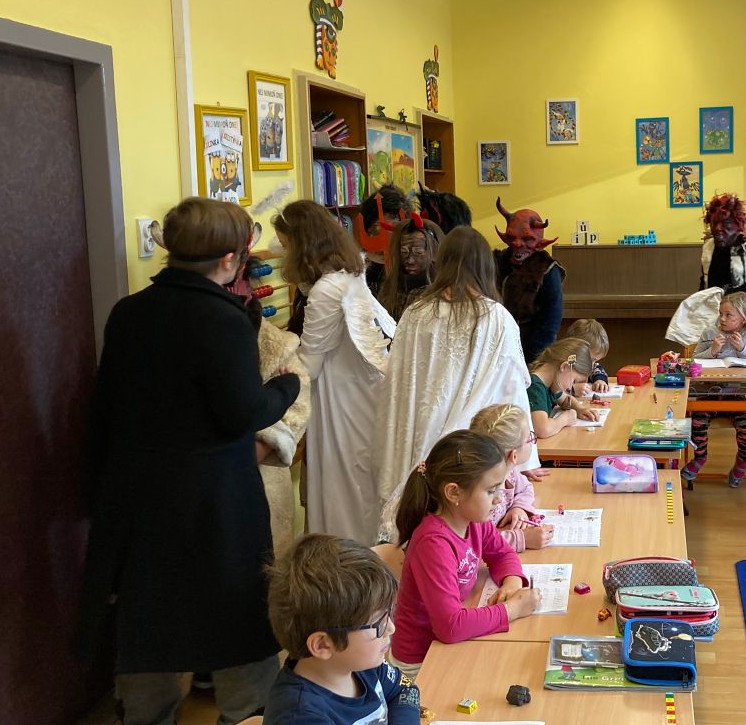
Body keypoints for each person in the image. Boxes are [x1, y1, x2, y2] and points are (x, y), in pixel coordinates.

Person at [76, 198, 300, 725]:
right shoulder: (223, 320)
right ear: (229, 259)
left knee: (149, 618)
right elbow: (241, 414)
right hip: (214, 499)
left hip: (140, 495)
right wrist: (285, 386)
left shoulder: (128, 312)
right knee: (237, 619)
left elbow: (105, 409)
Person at [375, 227, 542, 542]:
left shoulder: (416, 314)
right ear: (485, 267)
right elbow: (512, 394)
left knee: (421, 534)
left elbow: (397, 388)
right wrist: (524, 457)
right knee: (462, 537)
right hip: (473, 451)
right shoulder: (497, 318)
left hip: (418, 435)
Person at [273, 201, 396, 545]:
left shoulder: (326, 289)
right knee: (360, 485)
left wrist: (278, 362)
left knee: (343, 485)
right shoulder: (348, 275)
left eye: (286, 246)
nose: (284, 255)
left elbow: (310, 363)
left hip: (341, 400)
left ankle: (344, 559)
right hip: (359, 392)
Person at [390, 431, 541, 680]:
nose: (499, 499)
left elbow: (502, 554)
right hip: (421, 663)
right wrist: (513, 609)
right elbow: (450, 626)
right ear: (454, 493)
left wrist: (512, 582)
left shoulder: (472, 520)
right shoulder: (433, 543)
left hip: (448, 645)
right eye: (491, 491)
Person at [261, 534, 420, 725]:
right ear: (323, 645)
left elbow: (405, 689)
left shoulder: (364, 666)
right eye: (378, 623)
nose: (391, 628)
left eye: (389, 614)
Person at [227, 257, 311, 562]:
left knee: (267, 565)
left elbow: (299, 400)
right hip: (205, 485)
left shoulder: (273, 341)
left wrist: (262, 445)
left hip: (264, 481)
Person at [681, 293, 746, 487]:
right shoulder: (710, 333)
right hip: (709, 393)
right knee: (697, 423)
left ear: (743, 318)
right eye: (721, 314)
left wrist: (741, 349)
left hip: (735, 395)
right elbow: (694, 359)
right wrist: (713, 350)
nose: (722, 319)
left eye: (728, 315)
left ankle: (742, 463)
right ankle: (700, 457)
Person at [470, 403, 555, 552]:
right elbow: (473, 544)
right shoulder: (475, 493)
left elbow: (525, 488)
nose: (532, 439)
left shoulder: (510, 473)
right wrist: (521, 538)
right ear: (514, 456)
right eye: (529, 437)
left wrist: (519, 508)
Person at [493, 197, 566, 362]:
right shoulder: (497, 262)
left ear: (540, 242)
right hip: (496, 351)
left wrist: (529, 359)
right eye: (512, 237)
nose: (518, 244)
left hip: (529, 355)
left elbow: (549, 324)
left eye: (527, 239)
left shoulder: (548, 270)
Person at [377, 211, 445, 320]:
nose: (410, 260)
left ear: (435, 252)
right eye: (404, 252)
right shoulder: (390, 287)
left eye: (418, 252)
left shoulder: (441, 292)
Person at [528, 337, 600, 439]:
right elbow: (543, 429)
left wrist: (580, 409)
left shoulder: (551, 383)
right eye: (574, 381)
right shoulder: (534, 387)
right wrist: (565, 419)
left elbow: (565, 399)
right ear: (565, 367)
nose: (571, 387)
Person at [699, 193, 746, 297]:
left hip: (739, 304)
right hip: (711, 305)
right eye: (714, 223)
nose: (717, 228)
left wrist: (732, 297)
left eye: (726, 223)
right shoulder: (708, 247)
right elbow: (704, 279)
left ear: (737, 226)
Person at [359, 183, 411, 297]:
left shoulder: (412, 266)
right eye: (378, 231)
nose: (386, 240)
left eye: (393, 232)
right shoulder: (359, 268)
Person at [565, 318, 611, 393]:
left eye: (594, 360)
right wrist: (572, 390)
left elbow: (597, 369)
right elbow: (553, 392)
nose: (592, 365)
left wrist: (600, 380)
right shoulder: (564, 366)